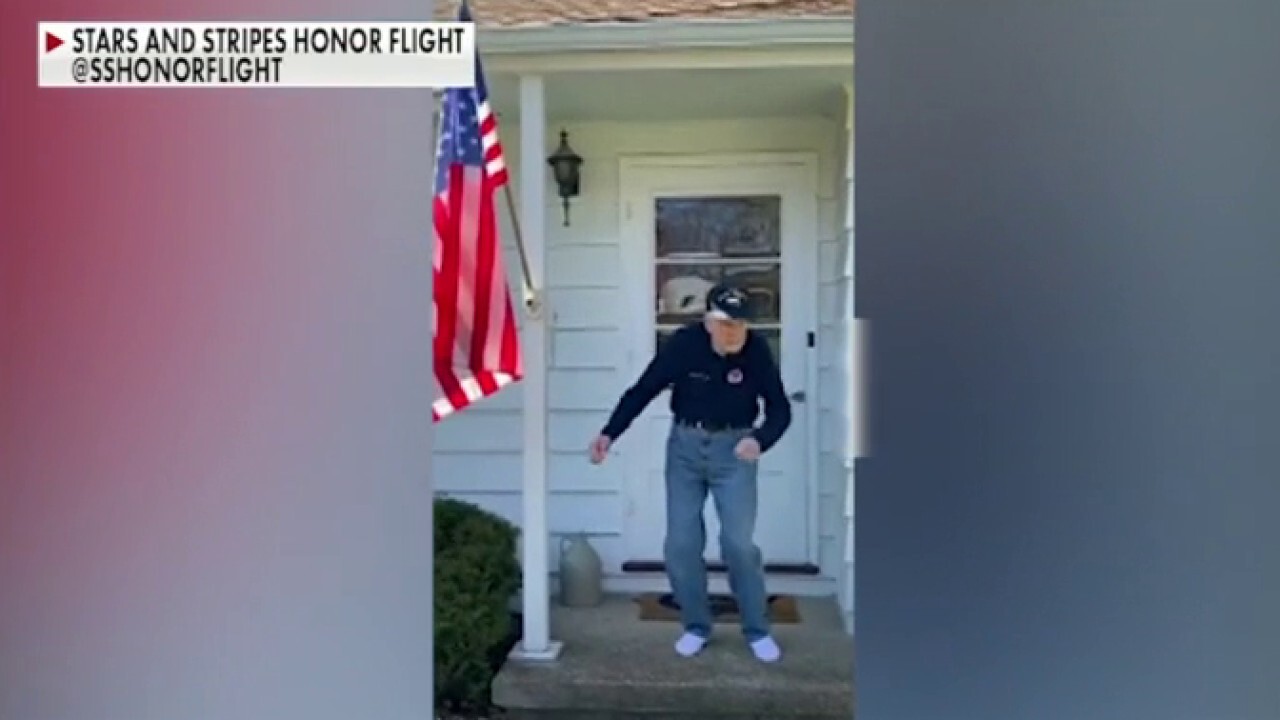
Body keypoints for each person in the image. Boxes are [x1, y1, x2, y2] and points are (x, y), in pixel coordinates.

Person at [588, 282, 792, 663]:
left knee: (739, 545)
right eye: (725, 324)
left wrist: (760, 440)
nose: (733, 333)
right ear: (708, 321)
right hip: (685, 448)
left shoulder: (757, 351)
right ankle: (696, 626)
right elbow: (643, 390)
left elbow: (780, 408)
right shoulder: (685, 345)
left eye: (740, 325)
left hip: (736, 451)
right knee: (681, 544)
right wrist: (609, 432)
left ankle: (757, 630)